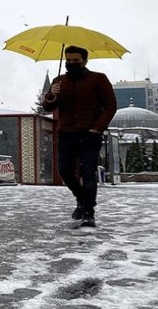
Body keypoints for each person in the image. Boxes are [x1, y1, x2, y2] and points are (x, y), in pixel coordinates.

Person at [42, 45, 117, 227]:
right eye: (68, 61)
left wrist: (97, 128)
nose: (71, 64)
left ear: (84, 61)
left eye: (75, 61)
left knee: (87, 172)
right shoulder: (59, 80)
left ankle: (88, 213)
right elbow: (47, 107)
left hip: (89, 133)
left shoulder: (98, 79)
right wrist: (53, 93)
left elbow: (110, 106)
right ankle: (82, 199)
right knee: (64, 170)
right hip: (66, 133)